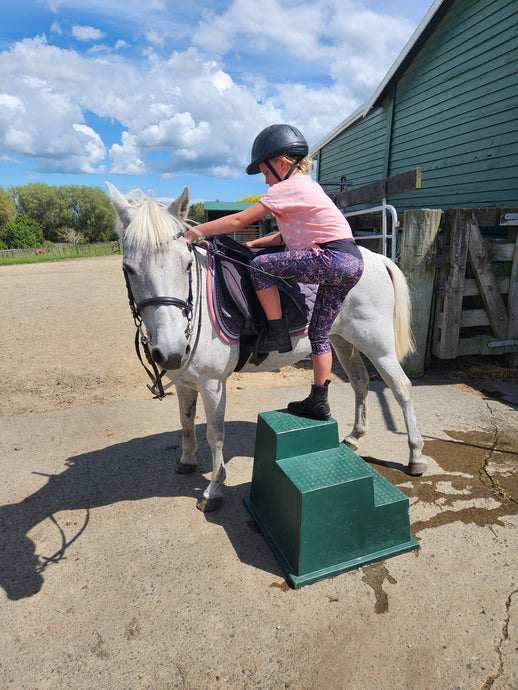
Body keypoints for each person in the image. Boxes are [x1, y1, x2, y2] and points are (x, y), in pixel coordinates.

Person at [184, 124, 364, 420]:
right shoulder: (309, 188)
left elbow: (241, 219)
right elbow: (282, 238)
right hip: (351, 262)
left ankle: (277, 331)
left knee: (261, 267)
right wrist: (253, 243)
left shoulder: (287, 187)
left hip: (330, 258)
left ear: (282, 162)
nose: (267, 181)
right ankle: (319, 400)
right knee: (320, 334)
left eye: (266, 173)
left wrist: (196, 231)